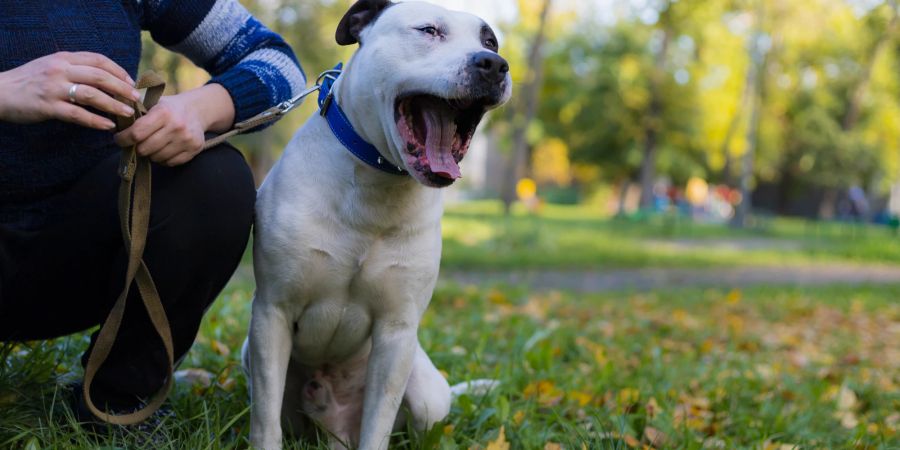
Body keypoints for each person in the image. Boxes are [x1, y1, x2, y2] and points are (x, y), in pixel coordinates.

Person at [0, 0, 305, 423]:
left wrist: (199, 109)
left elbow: (278, 62)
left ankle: (118, 399)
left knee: (214, 178)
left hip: (73, 245)